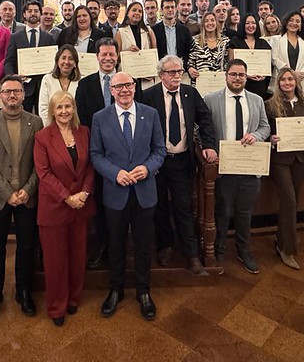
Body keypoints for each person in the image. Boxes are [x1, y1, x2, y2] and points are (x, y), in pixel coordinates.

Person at [90, 72, 166, 320]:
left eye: (128, 85)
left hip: (144, 192)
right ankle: (116, 290)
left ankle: (144, 292)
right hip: (116, 192)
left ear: (135, 87)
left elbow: (159, 150)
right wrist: (115, 173)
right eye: (118, 86)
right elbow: (95, 154)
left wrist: (148, 168)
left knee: (143, 245)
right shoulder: (100, 118)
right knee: (115, 244)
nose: (124, 90)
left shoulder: (150, 114)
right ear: (111, 90)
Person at [141, 55, 217, 276]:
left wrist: (209, 145)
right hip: (157, 161)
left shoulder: (190, 93)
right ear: (161, 75)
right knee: (159, 206)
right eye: (171, 72)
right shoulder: (148, 96)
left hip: (182, 160)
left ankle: (191, 254)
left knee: (183, 207)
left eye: (179, 71)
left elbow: (205, 119)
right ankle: (165, 245)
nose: (176, 76)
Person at [0, 75, 43, 321]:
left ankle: (23, 292)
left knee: (26, 246)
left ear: (24, 95)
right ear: (0, 96)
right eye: (7, 91)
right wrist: (8, 193)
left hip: (27, 196)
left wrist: (28, 189)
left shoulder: (36, 122)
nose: (12, 95)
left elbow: (40, 163)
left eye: (16, 91)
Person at [33, 90, 95, 326]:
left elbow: (90, 166)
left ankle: (73, 299)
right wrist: (67, 197)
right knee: (55, 261)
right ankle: (57, 306)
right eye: (59, 107)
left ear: (74, 109)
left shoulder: (84, 132)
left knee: (78, 256)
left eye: (68, 106)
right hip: (55, 206)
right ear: (52, 111)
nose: (64, 111)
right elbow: (44, 173)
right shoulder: (42, 137)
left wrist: (85, 193)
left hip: (80, 205)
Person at [204, 60, 270, 273]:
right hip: (224, 167)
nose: (237, 78)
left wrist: (256, 136)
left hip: (250, 166)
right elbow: (203, 129)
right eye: (233, 74)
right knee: (222, 210)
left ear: (246, 77)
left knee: (245, 212)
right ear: (226, 76)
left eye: (241, 75)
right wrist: (209, 148)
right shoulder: (211, 99)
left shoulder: (257, 100)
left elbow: (265, 127)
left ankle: (243, 250)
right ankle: (219, 249)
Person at [75, 37, 120, 268]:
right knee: (100, 202)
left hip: (123, 155)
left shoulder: (127, 82)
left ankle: (119, 246)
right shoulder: (85, 85)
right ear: (97, 57)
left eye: (112, 54)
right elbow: (81, 121)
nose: (108, 58)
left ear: (117, 56)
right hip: (96, 154)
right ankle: (104, 246)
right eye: (104, 54)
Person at [265, 67, 304, 270]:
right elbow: (264, 130)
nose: (287, 83)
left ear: (296, 82)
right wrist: (271, 138)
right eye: (283, 80)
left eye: (290, 79)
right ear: (278, 83)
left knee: (291, 202)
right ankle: (288, 249)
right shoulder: (270, 105)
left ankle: (281, 240)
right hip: (280, 160)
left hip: (300, 158)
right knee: (290, 201)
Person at [4, 0, 57, 113]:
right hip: (22, 86)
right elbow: (9, 61)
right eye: (29, 11)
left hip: (43, 86)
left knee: (43, 118)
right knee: (22, 118)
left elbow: (54, 62)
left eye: (36, 11)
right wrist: (13, 77)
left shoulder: (49, 37)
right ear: (24, 14)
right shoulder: (15, 37)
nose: (33, 14)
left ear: (40, 14)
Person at [269, 11, 304, 97]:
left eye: (297, 21)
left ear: (301, 25)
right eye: (291, 20)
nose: (294, 23)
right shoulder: (276, 39)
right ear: (286, 23)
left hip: (301, 81)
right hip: (282, 80)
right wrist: (292, 74)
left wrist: (299, 75)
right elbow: (275, 59)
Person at [229, 13, 271, 99]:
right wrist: (245, 75)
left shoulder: (264, 43)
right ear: (243, 25)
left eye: (253, 23)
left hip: (260, 85)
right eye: (247, 23)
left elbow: (269, 65)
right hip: (242, 83)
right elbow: (231, 63)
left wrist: (264, 75)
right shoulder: (235, 41)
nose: (251, 26)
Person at [115, 1, 157, 89]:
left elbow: (154, 54)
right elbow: (116, 56)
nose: (137, 13)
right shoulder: (120, 32)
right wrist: (127, 51)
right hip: (127, 76)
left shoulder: (148, 31)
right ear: (127, 13)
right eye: (134, 10)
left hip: (146, 77)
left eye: (140, 11)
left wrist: (152, 72)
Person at [38, 45, 81, 126]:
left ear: (75, 63)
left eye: (71, 59)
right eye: (63, 58)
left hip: (74, 126)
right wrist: (53, 128)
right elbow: (43, 108)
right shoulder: (47, 79)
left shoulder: (81, 81)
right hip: (51, 127)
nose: (67, 62)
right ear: (57, 61)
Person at [187, 11, 229, 83]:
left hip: (219, 81)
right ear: (203, 24)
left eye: (212, 20)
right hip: (200, 81)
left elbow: (227, 63)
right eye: (206, 21)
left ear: (216, 22)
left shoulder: (225, 41)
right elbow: (190, 62)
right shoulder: (195, 40)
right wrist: (190, 69)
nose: (210, 23)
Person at [151, 0, 191, 70]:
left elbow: (187, 52)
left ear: (176, 9)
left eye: (172, 7)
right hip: (161, 70)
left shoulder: (184, 30)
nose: (170, 10)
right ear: (161, 10)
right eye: (167, 7)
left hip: (180, 70)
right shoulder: (153, 30)